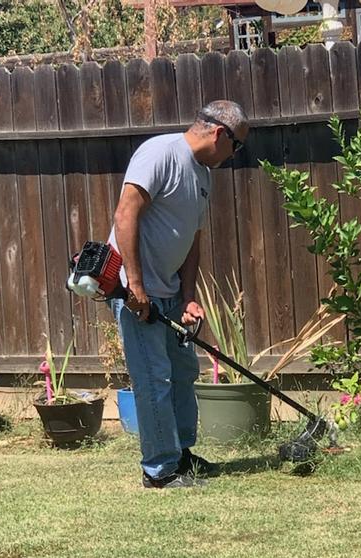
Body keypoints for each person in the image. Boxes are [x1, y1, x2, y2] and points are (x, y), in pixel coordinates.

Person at [108, 100, 249, 489]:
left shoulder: (203, 175)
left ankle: (181, 454)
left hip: (168, 290)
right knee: (154, 378)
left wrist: (188, 296)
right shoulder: (161, 153)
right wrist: (135, 287)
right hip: (136, 291)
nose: (235, 155)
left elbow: (192, 240)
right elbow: (125, 214)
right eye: (237, 146)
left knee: (182, 371)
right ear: (220, 133)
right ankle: (159, 470)